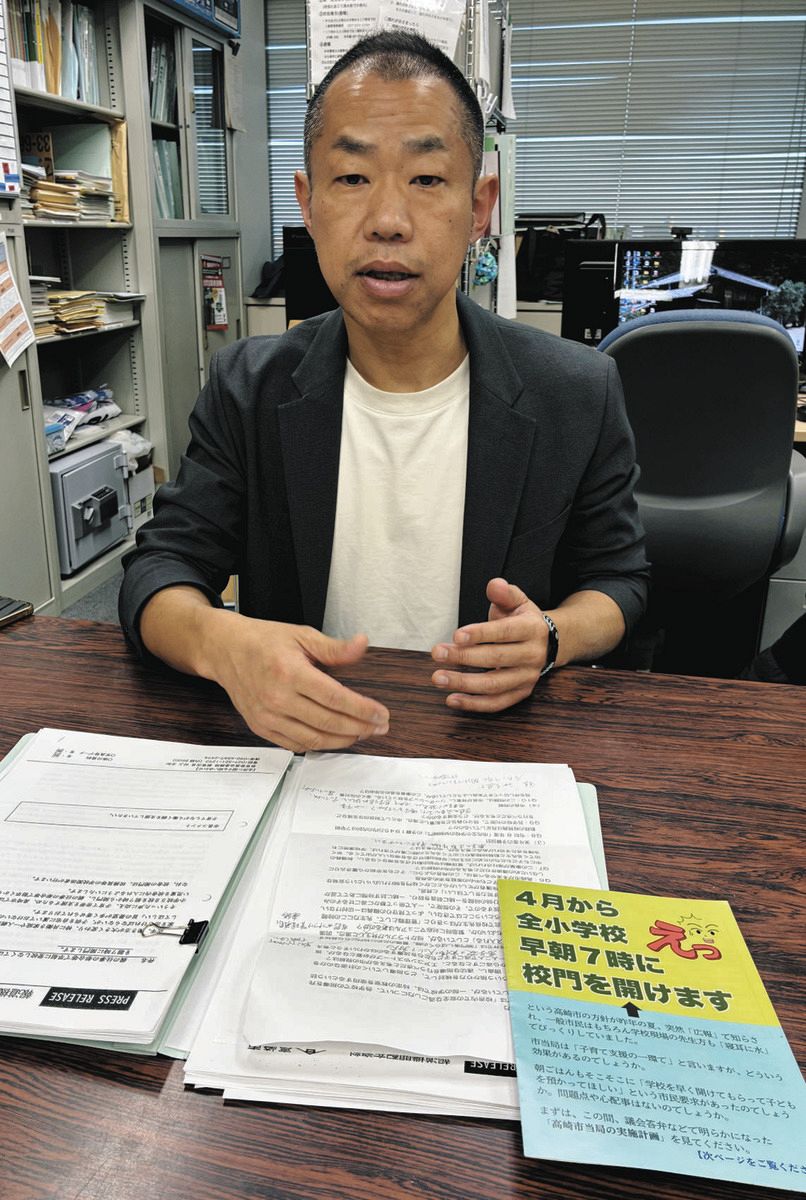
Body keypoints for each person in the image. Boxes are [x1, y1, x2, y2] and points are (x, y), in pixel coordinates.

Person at [120, 32, 649, 751]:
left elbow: (619, 580)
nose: (388, 222)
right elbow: (159, 570)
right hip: (304, 748)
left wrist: (552, 636)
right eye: (352, 178)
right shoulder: (248, 387)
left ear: (479, 206)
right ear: (308, 204)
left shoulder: (577, 390)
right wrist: (222, 643)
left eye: (427, 179)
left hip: (493, 751)